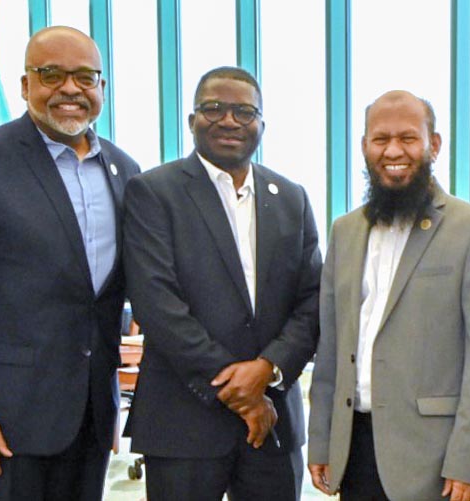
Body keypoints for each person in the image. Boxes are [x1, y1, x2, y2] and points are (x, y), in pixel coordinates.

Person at [0, 26, 139, 500]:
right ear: (25, 86)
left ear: (102, 87)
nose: (70, 89)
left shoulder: (125, 171)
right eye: (51, 74)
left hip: (90, 417)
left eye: (84, 77)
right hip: (1, 420)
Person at [121, 66, 321, 501]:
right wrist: (241, 392)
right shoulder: (153, 192)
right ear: (191, 120)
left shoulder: (291, 198)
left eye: (244, 112)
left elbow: (312, 300)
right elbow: (156, 302)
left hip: (274, 426)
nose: (229, 120)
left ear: (262, 124)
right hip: (183, 422)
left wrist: (267, 368)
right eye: (213, 109)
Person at [308, 90, 470, 501]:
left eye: (408, 138)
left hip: (435, 458)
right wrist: (323, 441)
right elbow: (331, 347)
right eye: (380, 139)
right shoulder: (345, 231)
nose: (393, 151)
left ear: (433, 145)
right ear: (364, 146)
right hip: (355, 448)